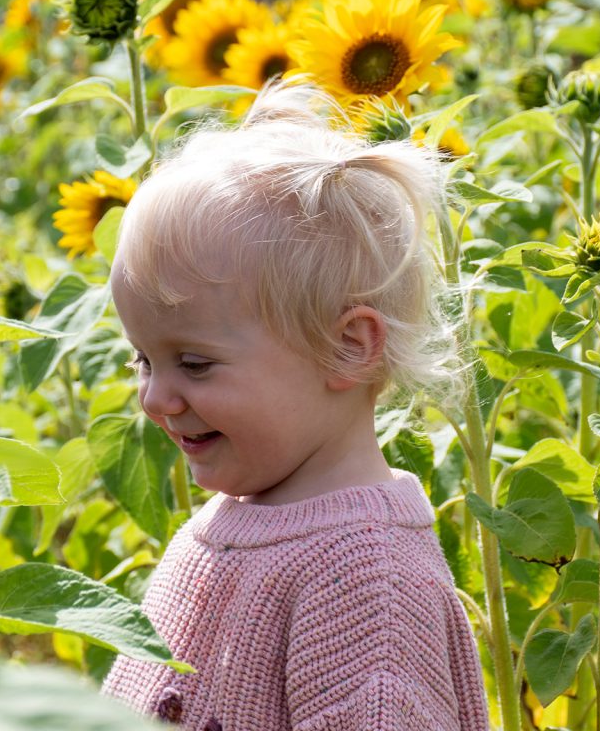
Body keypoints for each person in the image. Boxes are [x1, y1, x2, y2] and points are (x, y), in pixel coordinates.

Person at [100, 81, 489, 731]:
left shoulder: (368, 584)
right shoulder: (237, 521)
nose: (154, 397)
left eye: (193, 363)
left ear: (347, 349)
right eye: (143, 359)